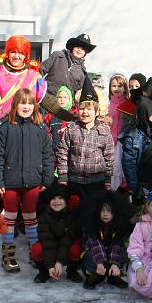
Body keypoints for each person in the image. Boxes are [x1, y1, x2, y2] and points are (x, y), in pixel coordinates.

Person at [0, 88, 55, 272]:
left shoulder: (40, 129)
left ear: (34, 106)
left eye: (29, 103)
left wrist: (47, 179)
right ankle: (8, 253)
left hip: (33, 182)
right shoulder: (4, 128)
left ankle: (35, 252)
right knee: (9, 218)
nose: (26, 107)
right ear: (15, 105)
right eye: (22, 103)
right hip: (10, 183)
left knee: (31, 218)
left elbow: (47, 156)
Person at [56, 77, 114, 237]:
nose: (85, 112)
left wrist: (107, 179)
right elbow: (62, 152)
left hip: (96, 181)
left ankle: (92, 241)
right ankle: (75, 242)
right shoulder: (72, 129)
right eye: (82, 109)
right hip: (75, 181)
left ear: (96, 111)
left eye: (89, 109)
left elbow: (109, 157)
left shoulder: (103, 131)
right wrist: (63, 176)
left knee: (93, 213)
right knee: (75, 213)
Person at [32, 183, 83, 283]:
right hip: (51, 247)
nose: (56, 201)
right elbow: (46, 242)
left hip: (66, 247)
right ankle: (44, 272)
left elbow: (67, 240)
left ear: (66, 201)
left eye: (60, 198)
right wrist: (50, 266)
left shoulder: (72, 216)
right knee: (37, 249)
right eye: (53, 198)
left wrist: (59, 262)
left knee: (76, 249)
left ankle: (72, 272)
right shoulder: (44, 217)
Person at [83, 194, 131, 290]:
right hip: (96, 254)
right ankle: (95, 276)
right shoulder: (91, 224)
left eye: (109, 211)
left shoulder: (119, 225)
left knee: (125, 252)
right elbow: (95, 244)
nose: (105, 214)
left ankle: (113, 276)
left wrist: (115, 264)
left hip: (111, 254)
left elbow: (117, 244)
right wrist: (100, 263)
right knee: (90, 254)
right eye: (102, 211)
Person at [41, 33, 95, 97]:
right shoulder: (58, 56)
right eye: (78, 47)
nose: (79, 50)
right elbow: (40, 70)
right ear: (72, 47)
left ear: (85, 53)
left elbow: (78, 92)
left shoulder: (82, 71)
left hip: (66, 101)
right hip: (47, 97)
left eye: (83, 49)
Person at [107, 70, 132, 190]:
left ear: (125, 87)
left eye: (120, 86)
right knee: (112, 169)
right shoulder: (108, 104)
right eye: (114, 86)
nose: (116, 89)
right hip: (110, 141)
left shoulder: (128, 103)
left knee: (122, 169)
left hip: (123, 142)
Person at [43, 85, 75, 155]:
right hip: (54, 153)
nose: (62, 100)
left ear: (70, 99)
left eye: (65, 97)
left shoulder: (74, 116)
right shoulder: (50, 116)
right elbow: (46, 134)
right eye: (60, 97)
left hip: (71, 153)